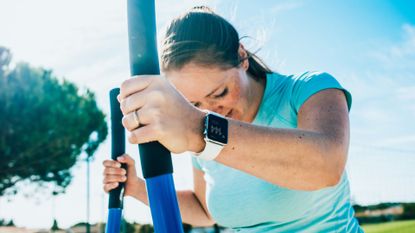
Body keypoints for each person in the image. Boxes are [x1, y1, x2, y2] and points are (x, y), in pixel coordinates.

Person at [102, 6, 363, 232]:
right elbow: (205, 212)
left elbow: (326, 166)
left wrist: (198, 128)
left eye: (219, 93)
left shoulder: (308, 89)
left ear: (241, 57)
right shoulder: (203, 138)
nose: (212, 111)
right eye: (194, 105)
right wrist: (136, 187)